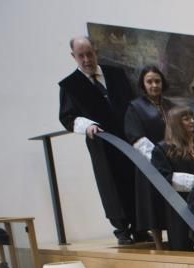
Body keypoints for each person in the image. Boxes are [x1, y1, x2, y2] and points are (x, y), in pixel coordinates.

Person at [58, 37, 137, 245]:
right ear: (73, 56)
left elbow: (133, 102)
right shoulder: (69, 85)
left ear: (96, 51)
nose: (86, 60)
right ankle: (121, 230)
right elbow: (67, 117)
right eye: (81, 55)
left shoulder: (116, 75)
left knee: (135, 180)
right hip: (102, 143)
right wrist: (87, 126)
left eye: (89, 54)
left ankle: (140, 226)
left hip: (128, 139)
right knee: (111, 185)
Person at [151, 107, 194, 251]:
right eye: (186, 119)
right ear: (175, 123)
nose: (192, 121)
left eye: (192, 117)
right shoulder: (162, 149)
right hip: (180, 208)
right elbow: (161, 178)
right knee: (185, 249)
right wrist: (193, 182)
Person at [124, 65, 176, 246]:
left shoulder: (171, 106)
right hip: (149, 162)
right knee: (152, 203)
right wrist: (157, 157)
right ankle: (158, 243)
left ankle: (175, 238)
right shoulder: (135, 107)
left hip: (172, 160)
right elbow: (135, 135)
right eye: (150, 82)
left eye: (157, 81)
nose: (154, 85)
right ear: (143, 84)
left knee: (171, 202)